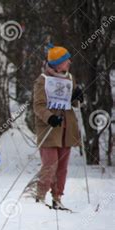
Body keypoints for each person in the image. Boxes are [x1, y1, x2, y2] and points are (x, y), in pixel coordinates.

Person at [33, 44, 81, 209]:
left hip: (67, 128)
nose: (69, 62)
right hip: (49, 129)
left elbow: (74, 103)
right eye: (66, 60)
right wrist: (50, 118)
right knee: (50, 164)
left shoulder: (69, 78)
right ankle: (39, 196)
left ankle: (57, 198)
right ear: (57, 63)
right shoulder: (43, 80)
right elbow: (38, 105)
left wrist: (77, 96)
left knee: (62, 166)